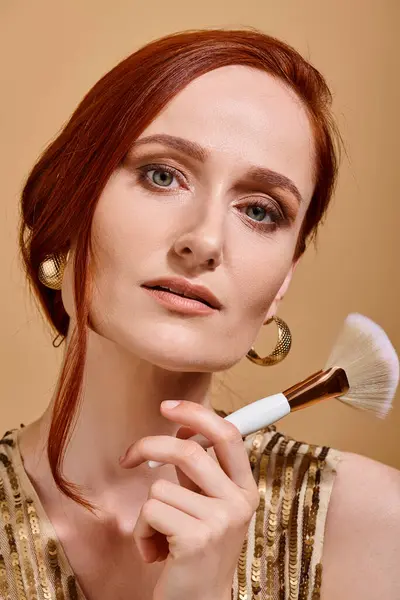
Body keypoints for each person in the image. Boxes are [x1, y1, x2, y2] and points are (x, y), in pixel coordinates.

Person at [1, 27, 398, 600]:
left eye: (260, 211)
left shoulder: (377, 529)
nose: (206, 240)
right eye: (162, 175)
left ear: (284, 279)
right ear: (71, 205)